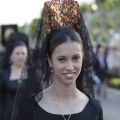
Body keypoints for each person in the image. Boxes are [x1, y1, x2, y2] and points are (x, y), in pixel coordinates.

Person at [11, 1, 103, 120]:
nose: (70, 67)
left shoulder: (94, 108)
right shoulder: (30, 108)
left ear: (83, 56)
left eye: (75, 58)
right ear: (49, 60)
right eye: (62, 59)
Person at [0, 32, 29, 120]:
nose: (20, 56)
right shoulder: (3, 73)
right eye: (17, 53)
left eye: (23, 53)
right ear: (12, 55)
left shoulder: (33, 73)